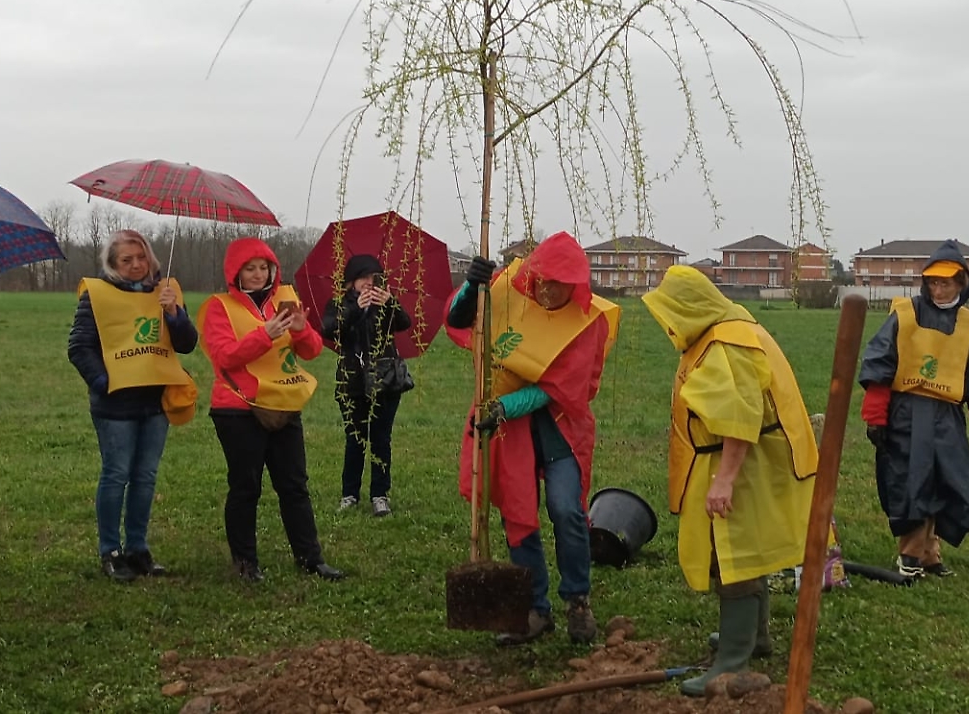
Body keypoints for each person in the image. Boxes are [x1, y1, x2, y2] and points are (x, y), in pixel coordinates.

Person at [642, 265, 816, 696]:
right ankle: (754, 637)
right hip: (755, 460)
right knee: (747, 550)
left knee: (732, 552)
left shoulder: (724, 345)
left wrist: (724, 480)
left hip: (746, 463)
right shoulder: (728, 330)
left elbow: (739, 418)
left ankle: (733, 663)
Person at [445, 232, 619, 645]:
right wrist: (472, 285)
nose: (546, 290)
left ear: (575, 286)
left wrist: (505, 406)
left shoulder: (587, 323)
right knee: (518, 513)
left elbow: (558, 389)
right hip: (510, 431)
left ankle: (577, 600)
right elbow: (461, 319)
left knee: (566, 509)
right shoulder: (507, 291)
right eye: (542, 280)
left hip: (559, 428)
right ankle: (534, 608)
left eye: (558, 284)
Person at [858, 240, 969, 582]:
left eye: (945, 283)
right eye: (933, 283)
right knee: (912, 484)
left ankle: (930, 554)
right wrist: (875, 416)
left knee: (945, 483)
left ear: (961, 283)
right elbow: (881, 364)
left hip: (947, 416)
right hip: (906, 413)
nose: (938, 290)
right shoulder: (905, 315)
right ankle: (910, 556)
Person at [200, 237, 344, 583]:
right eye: (249, 268)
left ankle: (310, 558)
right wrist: (264, 334)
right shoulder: (219, 307)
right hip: (239, 408)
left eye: (263, 268)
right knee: (246, 487)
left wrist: (301, 331)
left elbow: (310, 351)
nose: (258, 274)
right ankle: (245, 563)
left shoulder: (285, 300)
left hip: (283, 403)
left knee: (294, 485)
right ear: (235, 273)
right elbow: (224, 357)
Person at [67, 229, 199, 582]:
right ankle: (110, 551)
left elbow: (187, 344)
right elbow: (79, 347)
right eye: (127, 260)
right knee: (116, 475)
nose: (136, 265)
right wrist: (104, 383)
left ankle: (138, 549)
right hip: (115, 405)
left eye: (141, 257)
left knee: (145, 477)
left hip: (155, 402)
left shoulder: (166, 291)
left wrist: (174, 314)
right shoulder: (97, 296)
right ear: (113, 264)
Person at [320, 254, 412, 517]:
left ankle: (379, 495)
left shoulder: (385, 302)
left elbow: (405, 323)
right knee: (355, 440)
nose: (369, 283)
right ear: (351, 281)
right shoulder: (339, 304)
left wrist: (390, 303)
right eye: (363, 277)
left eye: (374, 277)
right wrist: (354, 310)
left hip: (385, 382)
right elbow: (329, 329)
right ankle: (349, 494)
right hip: (352, 382)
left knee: (381, 440)